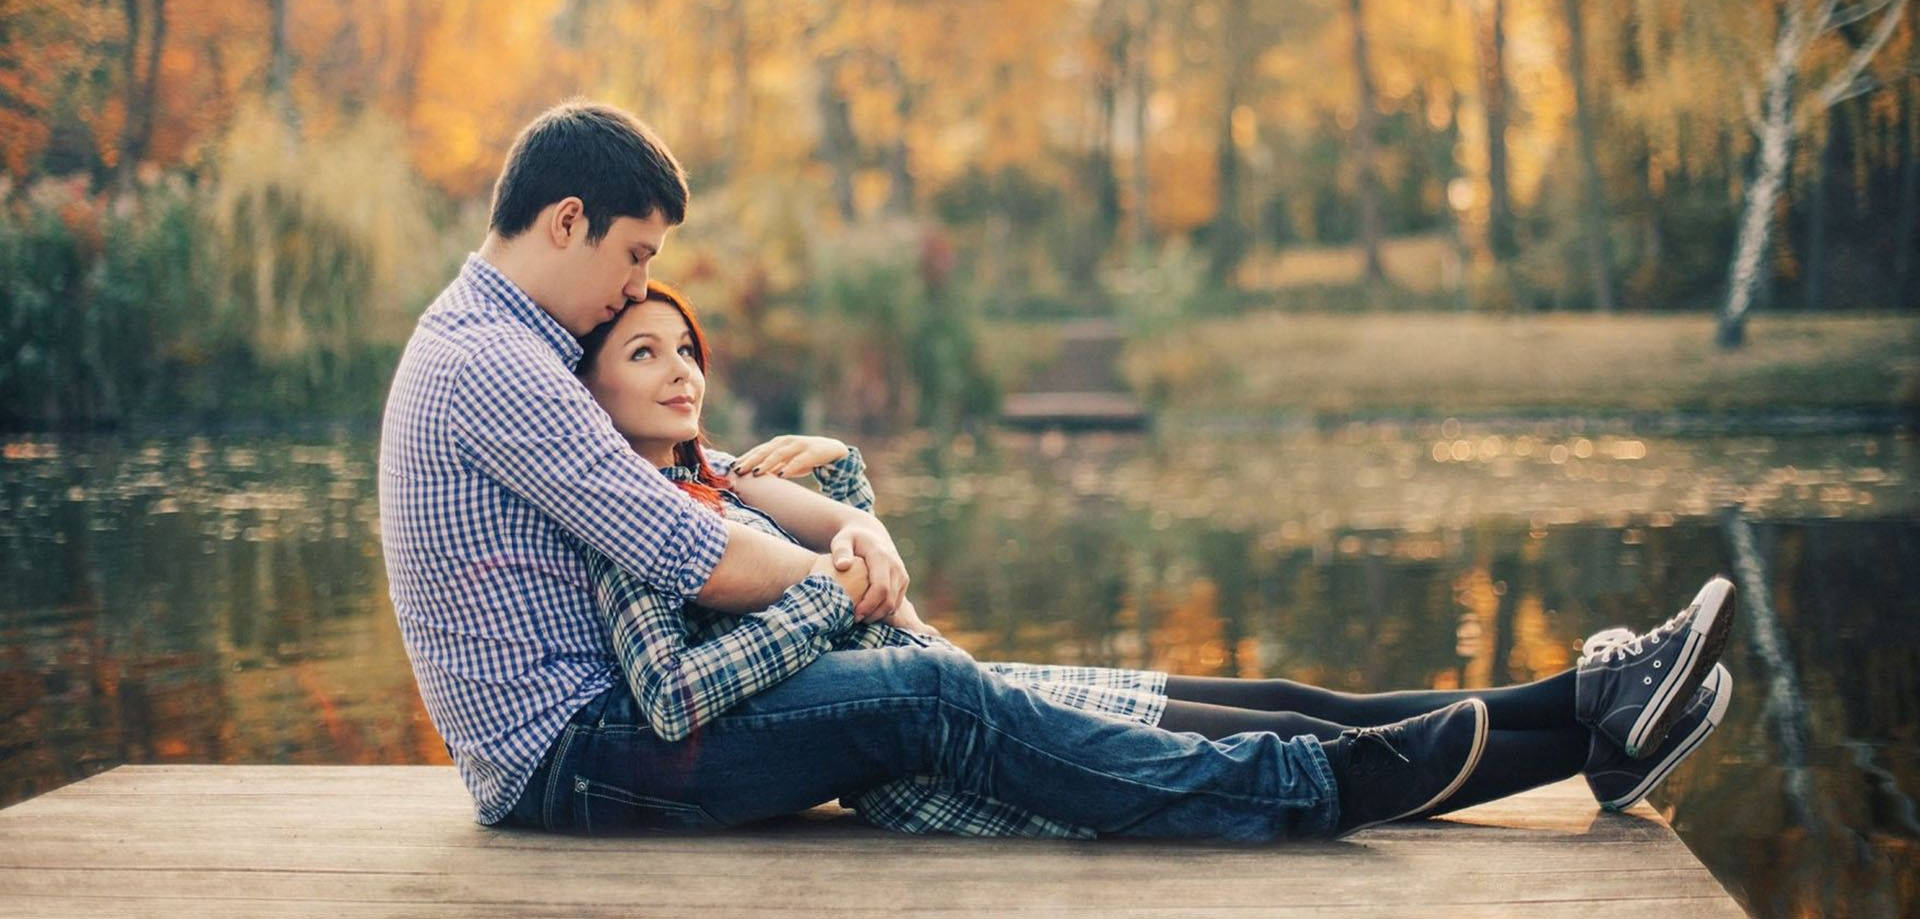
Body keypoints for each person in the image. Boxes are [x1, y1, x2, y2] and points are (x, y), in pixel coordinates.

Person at [378, 99, 1732, 843]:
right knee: (924, 682)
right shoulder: (495, 365)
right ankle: (1313, 790)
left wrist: (844, 525)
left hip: (629, 728)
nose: (641, 283)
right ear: (567, 219)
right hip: (580, 758)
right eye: (632, 255)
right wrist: (853, 573)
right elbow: (699, 551)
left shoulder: (525, 351)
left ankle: (1588, 706)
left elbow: (709, 482)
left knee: (1057, 683)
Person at [564, 281, 1737, 836]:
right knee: (1298, 744)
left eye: (687, 349)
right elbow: (682, 690)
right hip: (935, 760)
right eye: (643, 354)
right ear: (590, 391)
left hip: (974, 688)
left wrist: (849, 490)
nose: (680, 371)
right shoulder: (627, 517)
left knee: (1280, 697)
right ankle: (1592, 725)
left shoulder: (713, 479)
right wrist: (825, 594)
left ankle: (1592, 711)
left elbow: (880, 586)